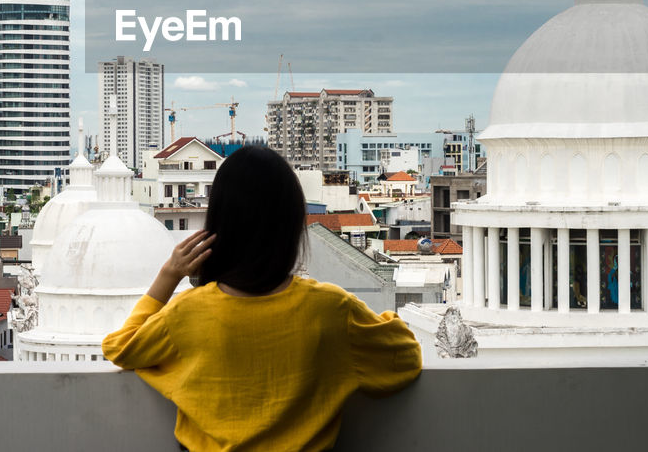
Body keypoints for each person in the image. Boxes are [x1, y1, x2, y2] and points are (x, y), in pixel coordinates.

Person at [102, 145, 422, 452]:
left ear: (219, 226)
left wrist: (169, 275)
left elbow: (121, 347)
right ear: (292, 225)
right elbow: (405, 357)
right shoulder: (331, 309)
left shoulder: (189, 312)